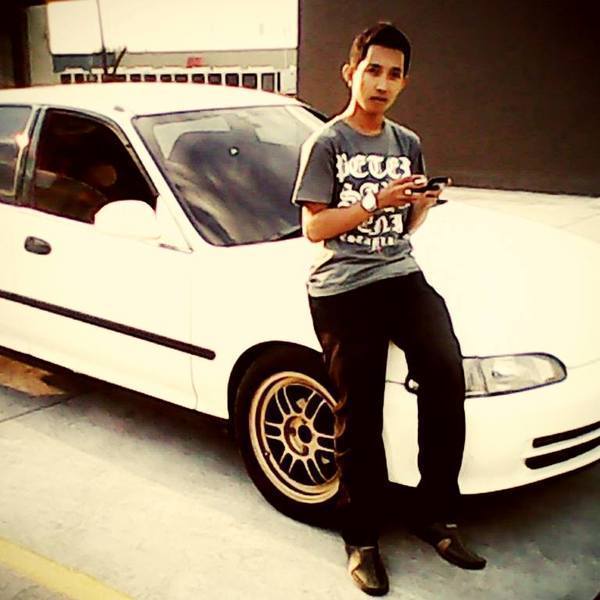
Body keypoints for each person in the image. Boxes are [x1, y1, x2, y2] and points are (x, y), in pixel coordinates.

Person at [292, 22, 486, 596]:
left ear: (404, 83)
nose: (381, 83)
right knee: (360, 409)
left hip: (399, 273)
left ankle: (435, 514)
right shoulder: (326, 143)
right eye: (372, 70)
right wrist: (376, 199)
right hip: (343, 286)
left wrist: (419, 205)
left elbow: (403, 227)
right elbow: (314, 228)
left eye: (394, 74)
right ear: (350, 73)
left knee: (446, 373)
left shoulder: (407, 142)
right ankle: (362, 538)